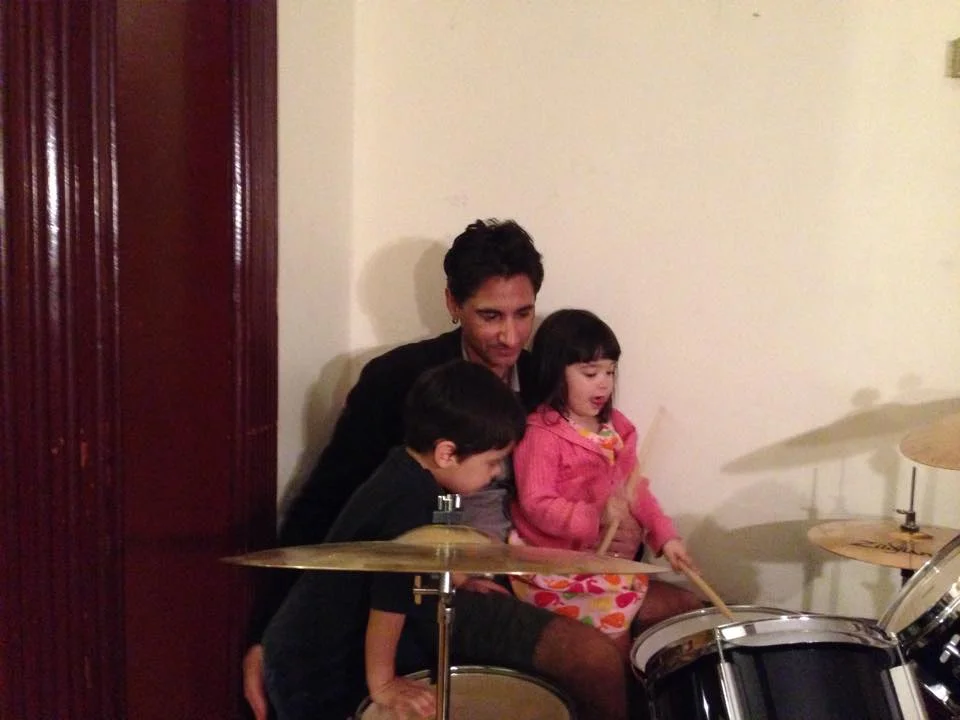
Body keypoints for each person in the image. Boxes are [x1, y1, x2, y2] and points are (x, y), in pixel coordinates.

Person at [244, 220, 642, 720]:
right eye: (490, 316)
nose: (510, 336)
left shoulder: (547, 378)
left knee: (673, 612)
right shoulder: (398, 380)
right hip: (438, 583)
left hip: (539, 556)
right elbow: (326, 504)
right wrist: (266, 634)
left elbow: (591, 470)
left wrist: (625, 531)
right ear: (453, 303)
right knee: (593, 659)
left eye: (523, 314)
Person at [262, 360, 527, 719]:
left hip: (314, 644)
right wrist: (383, 682)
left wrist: (459, 579)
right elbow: (389, 603)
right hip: (309, 659)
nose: (496, 473)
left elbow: (434, 547)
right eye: (492, 462)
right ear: (447, 453)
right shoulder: (410, 503)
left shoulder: (408, 469)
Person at [510, 309, 702, 653]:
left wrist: (665, 536)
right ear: (554, 372)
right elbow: (536, 503)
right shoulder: (541, 434)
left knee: (674, 617)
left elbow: (636, 490)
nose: (604, 383)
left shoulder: (615, 429)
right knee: (612, 638)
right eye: (590, 373)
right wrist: (594, 516)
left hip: (603, 563)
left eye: (610, 372)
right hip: (556, 565)